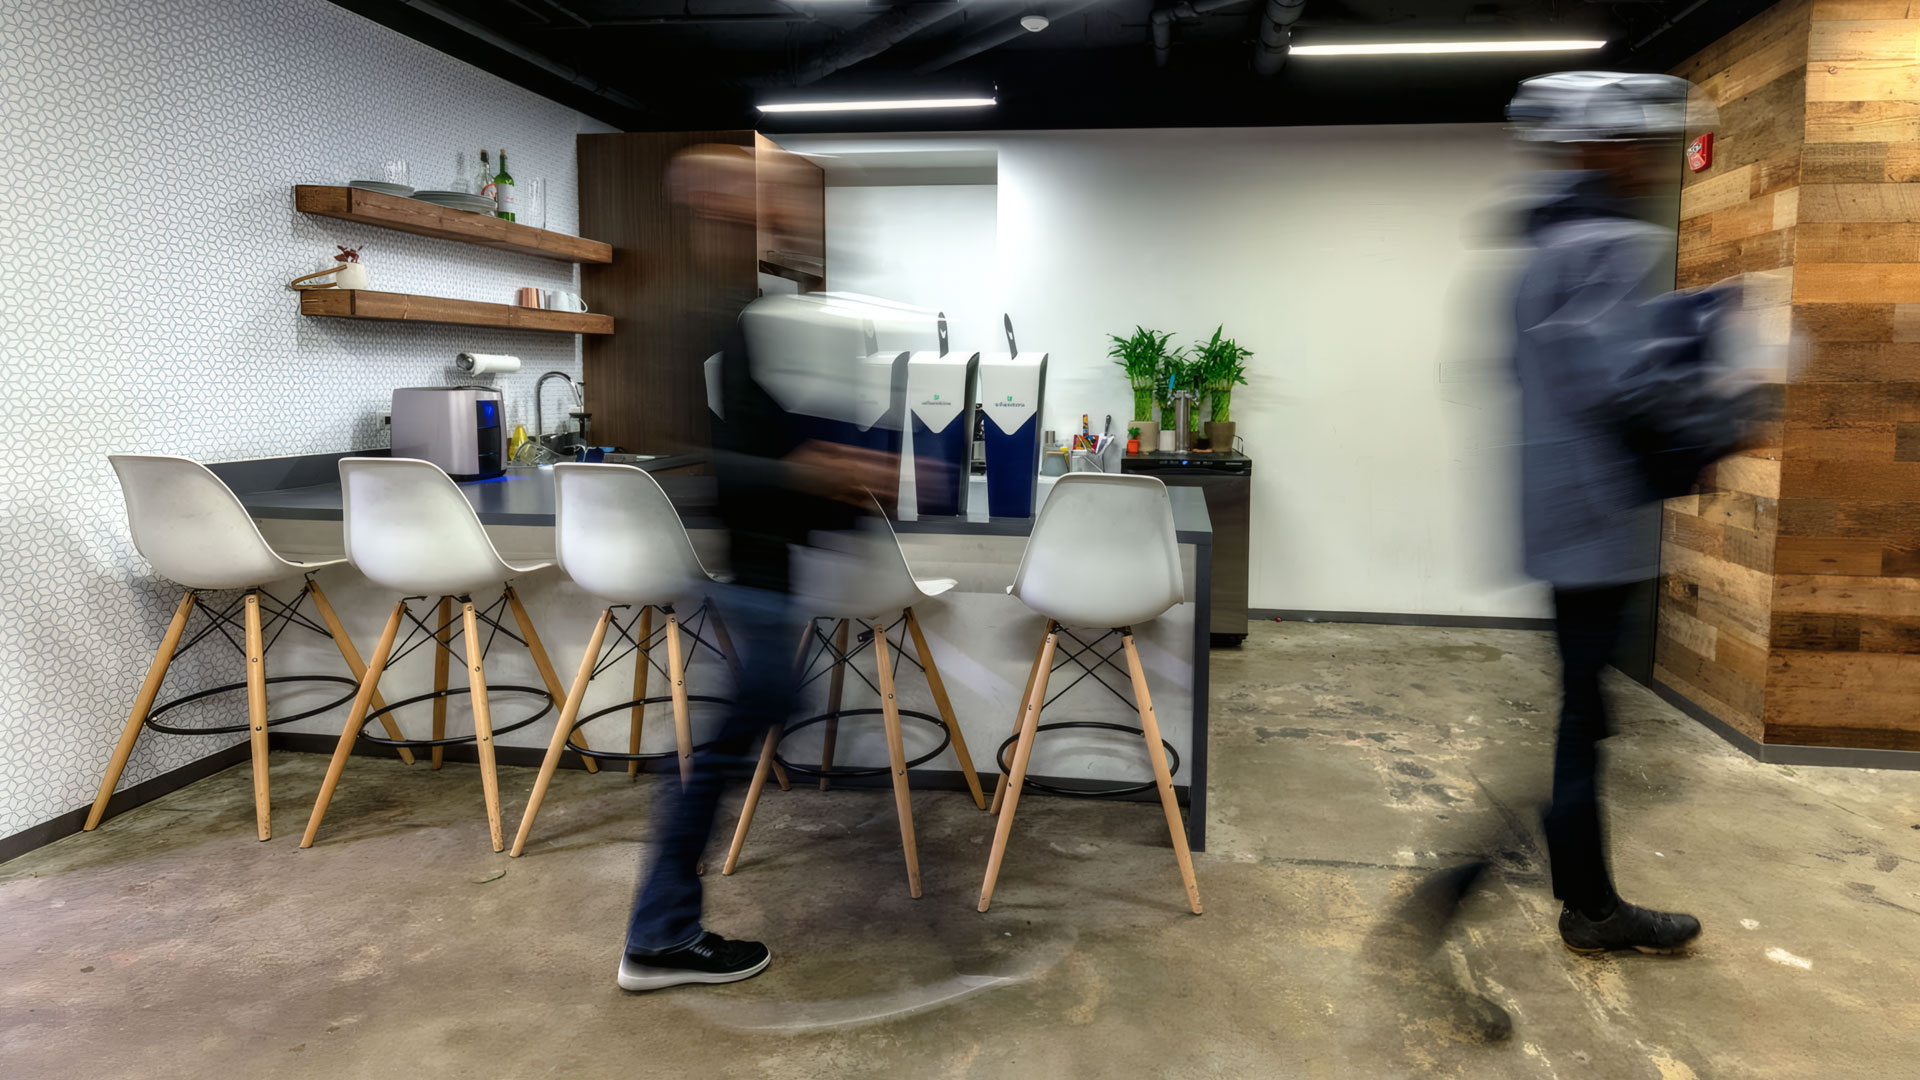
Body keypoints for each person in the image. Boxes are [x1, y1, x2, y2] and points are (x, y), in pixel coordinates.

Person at [616, 146, 899, 992]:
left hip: (771, 570)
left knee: (752, 719)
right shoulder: (706, 313)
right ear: (712, 200)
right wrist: (814, 471)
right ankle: (660, 934)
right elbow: (708, 457)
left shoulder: (753, 311)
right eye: (761, 191)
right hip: (751, 573)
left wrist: (850, 471)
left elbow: (770, 442)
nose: (782, 207)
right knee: (722, 743)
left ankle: (661, 928)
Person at [1508, 71, 1753, 955]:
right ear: (1594, 146)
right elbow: (1623, 386)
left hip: (1559, 520)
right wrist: (1725, 388)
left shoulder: (1539, 250)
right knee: (1583, 717)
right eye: (1638, 145)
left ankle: (1580, 885)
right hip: (1597, 523)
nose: (1652, 162)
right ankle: (1588, 904)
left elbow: (1539, 369)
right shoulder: (1609, 244)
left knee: (1586, 706)